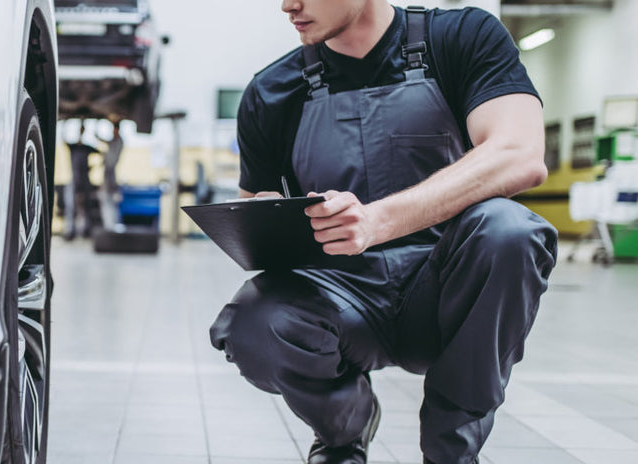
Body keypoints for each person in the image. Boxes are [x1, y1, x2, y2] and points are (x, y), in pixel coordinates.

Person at [207, 1, 558, 464]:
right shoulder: (271, 91)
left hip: (446, 291)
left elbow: (520, 153)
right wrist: (264, 212)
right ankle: (345, 429)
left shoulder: (460, 38)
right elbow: (259, 204)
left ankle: (451, 450)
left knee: (511, 231)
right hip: (341, 301)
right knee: (253, 323)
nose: (288, 5)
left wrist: (377, 221)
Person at [64, 120, 100, 240]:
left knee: (85, 207)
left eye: (83, 129)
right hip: (74, 181)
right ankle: (70, 231)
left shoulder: (86, 147)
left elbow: (100, 152)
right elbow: (63, 138)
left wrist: (92, 167)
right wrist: (65, 124)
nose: (81, 131)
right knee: (71, 208)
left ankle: (85, 230)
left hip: (84, 182)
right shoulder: (73, 146)